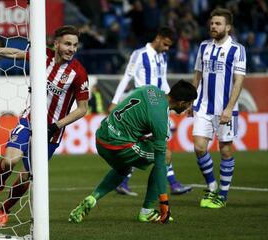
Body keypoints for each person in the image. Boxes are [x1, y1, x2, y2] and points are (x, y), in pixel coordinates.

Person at [0, 25, 89, 227]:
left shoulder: (79, 73)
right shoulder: (43, 56)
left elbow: (82, 109)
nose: (71, 49)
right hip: (29, 119)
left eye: (75, 45)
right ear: (56, 43)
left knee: (26, 177)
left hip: (51, 132)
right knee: (8, 161)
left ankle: (5, 209)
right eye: (67, 44)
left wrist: (56, 126)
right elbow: (16, 53)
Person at [68, 80, 197, 224]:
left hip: (101, 136)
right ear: (181, 103)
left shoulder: (149, 89)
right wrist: (164, 203)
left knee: (123, 168)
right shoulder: (160, 119)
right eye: (189, 104)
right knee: (166, 156)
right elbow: (160, 164)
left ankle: (92, 198)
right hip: (118, 145)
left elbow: (134, 109)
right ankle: (147, 211)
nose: (188, 107)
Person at [108, 27, 192, 196]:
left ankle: (124, 181)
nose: (167, 48)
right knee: (159, 144)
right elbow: (127, 77)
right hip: (144, 106)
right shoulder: (139, 54)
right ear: (159, 38)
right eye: (166, 44)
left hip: (160, 105)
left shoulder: (163, 56)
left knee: (153, 144)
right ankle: (173, 184)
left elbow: (164, 81)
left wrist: (173, 100)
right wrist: (114, 102)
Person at [189, 8, 246, 209]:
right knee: (199, 147)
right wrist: (190, 99)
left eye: (218, 23)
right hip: (204, 106)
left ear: (228, 27)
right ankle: (212, 186)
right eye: (212, 23)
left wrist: (229, 108)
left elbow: (238, 82)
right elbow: (197, 75)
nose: (213, 26)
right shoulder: (203, 46)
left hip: (225, 108)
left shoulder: (237, 49)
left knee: (225, 149)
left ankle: (222, 194)